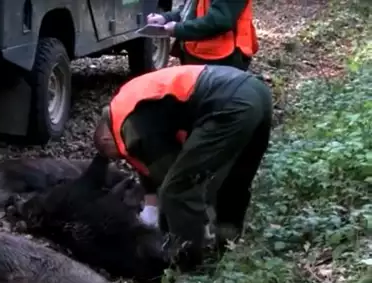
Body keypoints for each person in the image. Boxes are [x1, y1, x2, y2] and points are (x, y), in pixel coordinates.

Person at [93, 64, 272, 271]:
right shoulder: (129, 105)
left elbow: (170, 177)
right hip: (255, 91)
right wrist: (152, 201)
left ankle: (190, 270)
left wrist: (164, 224)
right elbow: (156, 161)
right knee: (233, 179)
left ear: (107, 138)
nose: (125, 158)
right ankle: (228, 246)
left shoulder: (129, 126)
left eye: (119, 155)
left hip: (229, 105)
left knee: (177, 191)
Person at [147, 0, 258, 71]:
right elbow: (190, 10)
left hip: (223, 61)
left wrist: (178, 29)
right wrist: (166, 18)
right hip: (201, 57)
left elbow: (219, 20)